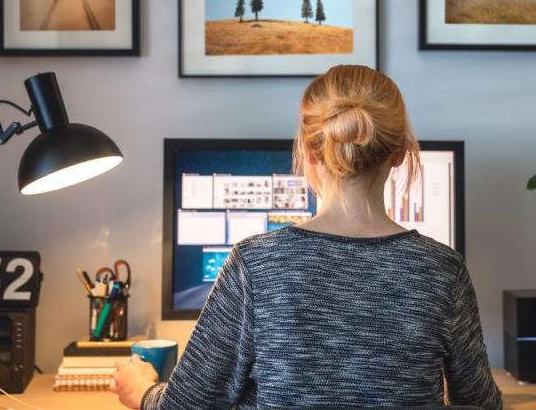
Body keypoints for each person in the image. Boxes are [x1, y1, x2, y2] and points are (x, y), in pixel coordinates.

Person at [114, 65, 502, 409]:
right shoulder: (442, 269)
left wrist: (144, 393)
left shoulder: (255, 264)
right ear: (400, 153)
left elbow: (189, 405)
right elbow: (481, 404)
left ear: (309, 152)